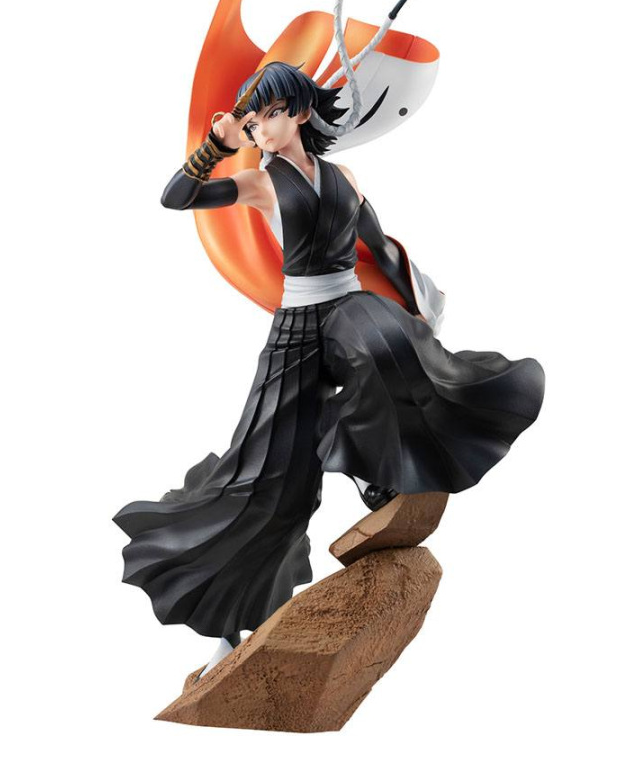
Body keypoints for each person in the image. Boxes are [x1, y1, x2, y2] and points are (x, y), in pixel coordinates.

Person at [113, 61, 545, 677]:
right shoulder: (259, 182)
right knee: (267, 479)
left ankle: (377, 471)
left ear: (297, 111)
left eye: (268, 115)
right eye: (253, 121)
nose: (260, 128)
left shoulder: (343, 177)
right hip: (296, 329)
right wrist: (218, 145)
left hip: (349, 308)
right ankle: (234, 624)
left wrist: (419, 301)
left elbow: (380, 245)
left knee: (389, 350)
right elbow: (175, 197)